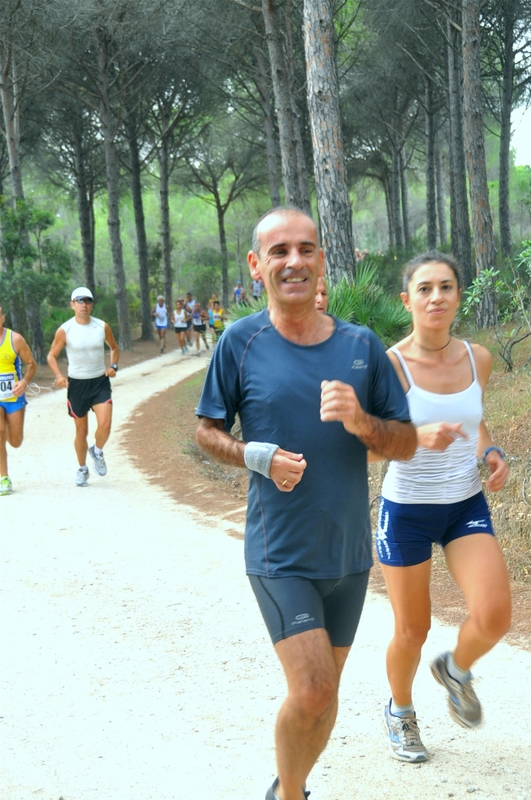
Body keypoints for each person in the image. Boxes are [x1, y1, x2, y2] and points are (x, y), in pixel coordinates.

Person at [195, 207, 417, 800]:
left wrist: (361, 419)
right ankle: (290, 797)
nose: (294, 261)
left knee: (323, 698)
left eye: (306, 249)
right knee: (314, 689)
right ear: (256, 264)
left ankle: (284, 788)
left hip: (347, 556)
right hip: (280, 554)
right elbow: (206, 430)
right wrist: (254, 456)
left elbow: (406, 440)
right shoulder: (240, 342)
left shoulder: (361, 346)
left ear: (321, 260)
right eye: (279, 251)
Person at [374, 251, 511, 764]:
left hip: (463, 505)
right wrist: (412, 438)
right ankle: (401, 712)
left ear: (459, 296)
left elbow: (474, 421)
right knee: (413, 629)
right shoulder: (390, 365)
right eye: (425, 288)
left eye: (447, 287)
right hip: (406, 508)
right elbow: (364, 444)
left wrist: (490, 453)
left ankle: (455, 670)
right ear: (406, 300)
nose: (437, 297)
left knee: (495, 615)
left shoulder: (478, 358)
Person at [47, 287, 120, 487]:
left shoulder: (102, 327)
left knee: (105, 424)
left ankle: (97, 451)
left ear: (92, 304)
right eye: (79, 300)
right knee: (81, 431)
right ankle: (82, 469)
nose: (84, 305)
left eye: (88, 301)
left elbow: (114, 347)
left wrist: (113, 366)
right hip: (77, 384)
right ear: (72, 304)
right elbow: (51, 356)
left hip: (99, 382)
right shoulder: (65, 329)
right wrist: (59, 376)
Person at [0, 305, 37, 495]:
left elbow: (31, 363)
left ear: (3, 318)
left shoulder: (15, 339)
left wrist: (24, 382)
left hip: (14, 397)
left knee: (15, 441)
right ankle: (3, 478)